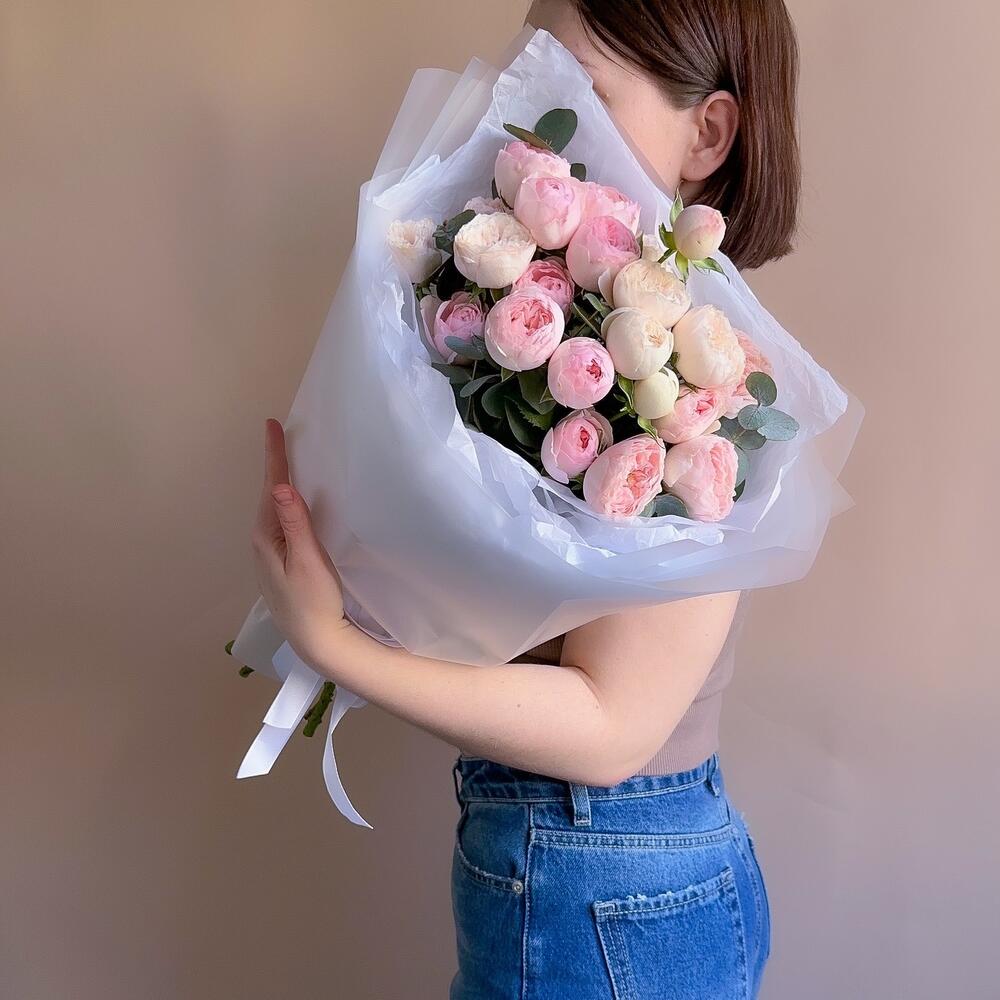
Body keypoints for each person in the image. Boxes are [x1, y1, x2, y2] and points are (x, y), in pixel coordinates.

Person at [251, 0, 800, 995]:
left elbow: (612, 725)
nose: (534, 127)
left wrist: (336, 645)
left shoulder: (700, 382)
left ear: (707, 134)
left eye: (582, 89)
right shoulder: (569, 317)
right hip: (598, 871)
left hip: (606, 876)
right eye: (528, 73)